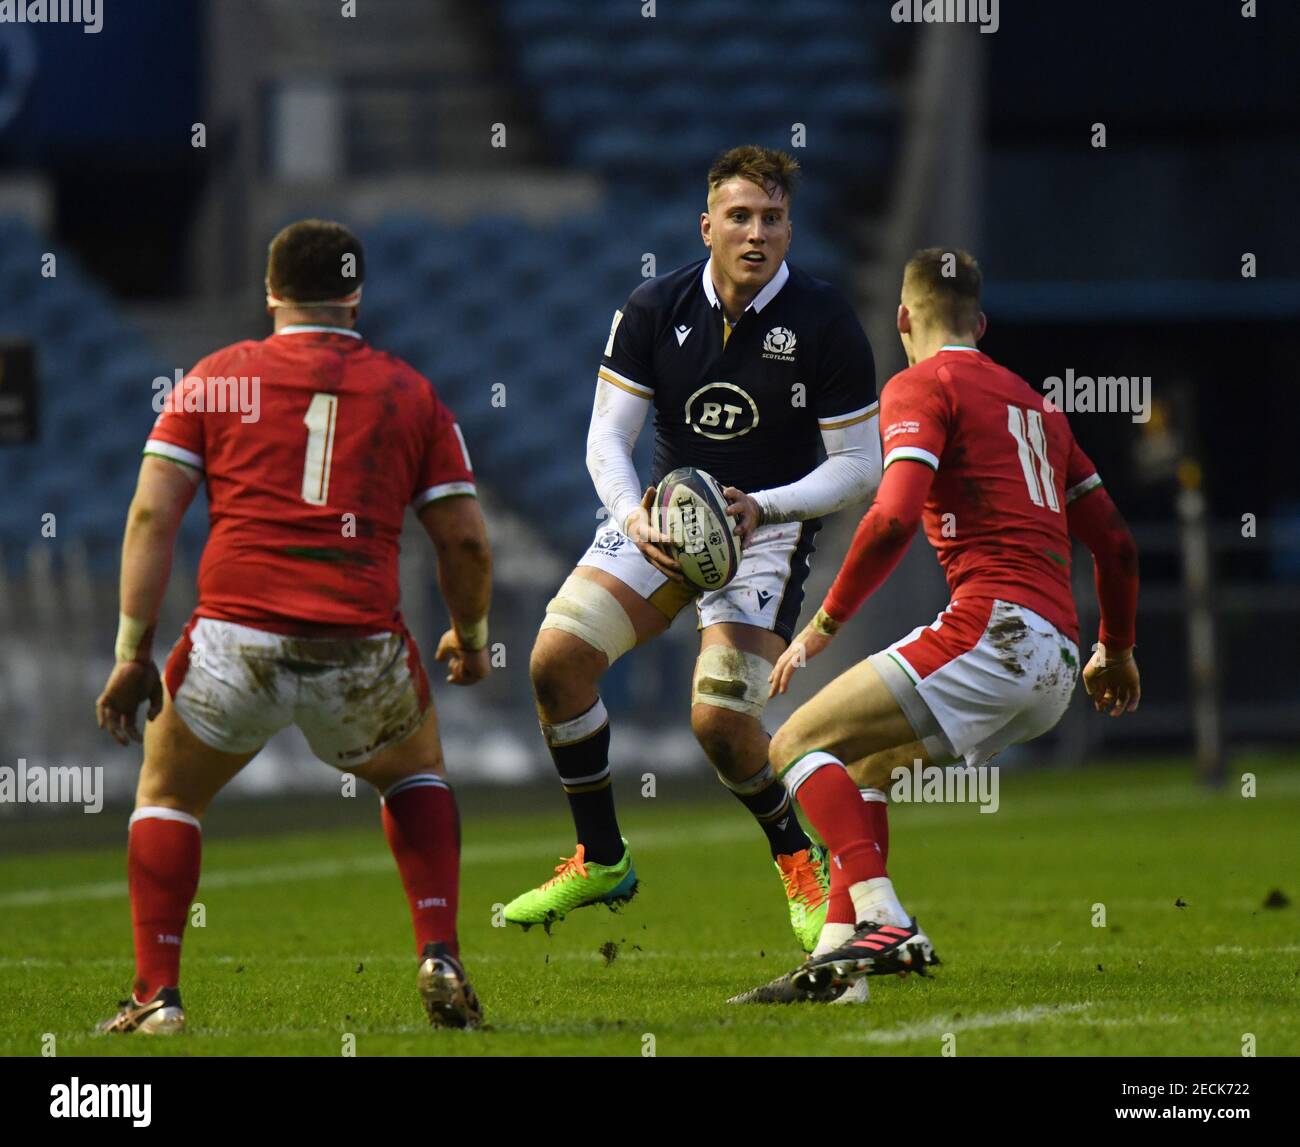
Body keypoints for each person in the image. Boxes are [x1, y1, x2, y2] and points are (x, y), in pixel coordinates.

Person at [93, 219, 492, 1032]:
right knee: (414, 771)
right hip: (359, 644)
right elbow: (464, 537)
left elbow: (149, 517)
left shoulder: (213, 380)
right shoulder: (410, 391)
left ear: (270, 292)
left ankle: (157, 994)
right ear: (355, 294)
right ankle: (440, 948)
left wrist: (133, 651)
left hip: (234, 643)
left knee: (168, 794)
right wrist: (473, 635)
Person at [502, 145, 884, 956]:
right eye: (739, 217)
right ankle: (601, 856)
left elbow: (861, 466)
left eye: (773, 218)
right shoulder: (652, 305)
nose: (757, 234)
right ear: (706, 225)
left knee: (717, 721)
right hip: (668, 513)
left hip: (770, 528)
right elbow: (608, 436)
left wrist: (764, 506)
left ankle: (797, 856)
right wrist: (629, 515)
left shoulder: (825, 321)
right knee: (554, 662)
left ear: (790, 227)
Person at [745, 247, 1140, 1002]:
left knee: (792, 743)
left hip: (995, 630)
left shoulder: (919, 385)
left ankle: (886, 918)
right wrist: (1115, 649)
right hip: (1054, 660)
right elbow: (1116, 542)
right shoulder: (1040, 407)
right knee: (864, 768)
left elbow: (892, 517)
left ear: (902, 319)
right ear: (981, 322)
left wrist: (822, 625)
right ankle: (838, 965)